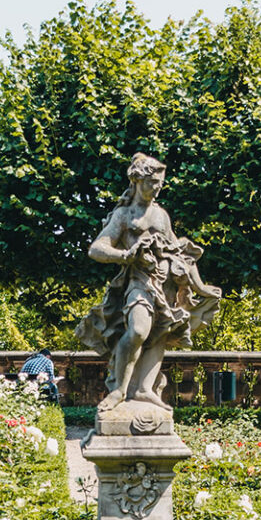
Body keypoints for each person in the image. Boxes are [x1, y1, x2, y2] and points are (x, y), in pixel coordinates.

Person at [75, 153, 221, 412]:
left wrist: (199, 287)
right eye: (152, 182)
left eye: (160, 184)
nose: (157, 188)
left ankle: (144, 390)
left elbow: (181, 254)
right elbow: (96, 248)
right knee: (139, 331)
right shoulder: (123, 214)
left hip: (167, 286)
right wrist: (125, 256)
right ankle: (119, 390)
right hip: (139, 283)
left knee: (159, 336)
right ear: (137, 180)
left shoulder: (162, 215)